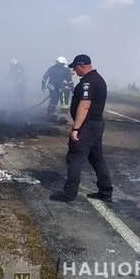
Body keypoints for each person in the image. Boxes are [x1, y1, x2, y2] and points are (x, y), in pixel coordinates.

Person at [50, 54, 113, 203]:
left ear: (81, 66)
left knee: (74, 158)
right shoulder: (97, 78)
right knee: (97, 159)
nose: (74, 71)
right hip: (96, 125)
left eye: (75, 68)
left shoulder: (88, 82)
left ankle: (69, 194)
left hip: (87, 126)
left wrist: (76, 128)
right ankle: (105, 192)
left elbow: (84, 105)